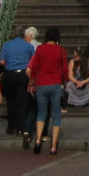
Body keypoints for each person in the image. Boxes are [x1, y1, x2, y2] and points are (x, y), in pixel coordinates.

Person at [29, 25, 69, 156]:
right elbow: (64, 69)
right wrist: (65, 82)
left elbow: (34, 67)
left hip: (42, 83)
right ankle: (53, 147)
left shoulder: (40, 49)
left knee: (41, 114)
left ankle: (38, 140)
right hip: (56, 83)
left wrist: (31, 82)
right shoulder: (61, 50)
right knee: (56, 116)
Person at [0, 25, 37, 135]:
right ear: (23, 35)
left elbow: (2, 62)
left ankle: (12, 127)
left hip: (9, 74)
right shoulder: (29, 46)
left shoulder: (7, 45)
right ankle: (22, 127)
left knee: (11, 101)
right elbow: (33, 62)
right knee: (23, 102)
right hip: (24, 74)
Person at [65, 48, 89, 114]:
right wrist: (77, 82)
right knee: (69, 84)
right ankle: (66, 106)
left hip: (88, 81)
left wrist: (83, 82)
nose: (74, 57)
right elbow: (70, 76)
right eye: (74, 55)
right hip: (77, 82)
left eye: (76, 56)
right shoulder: (72, 62)